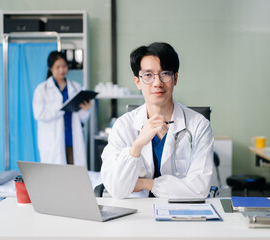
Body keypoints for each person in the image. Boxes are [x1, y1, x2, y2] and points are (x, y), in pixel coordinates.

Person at [101, 42, 214, 199]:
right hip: (135, 216)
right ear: (137, 82)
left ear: (175, 78)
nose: (157, 83)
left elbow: (199, 189)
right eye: (148, 75)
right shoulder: (123, 126)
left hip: (181, 215)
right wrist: (137, 146)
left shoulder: (199, 126)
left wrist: (145, 184)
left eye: (165, 73)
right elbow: (116, 189)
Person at [33, 51, 92, 166]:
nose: (62, 70)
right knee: (54, 177)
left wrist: (86, 109)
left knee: (73, 176)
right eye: (58, 67)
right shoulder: (41, 90)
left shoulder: (75, 87)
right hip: (53, 142)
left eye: (64, 66)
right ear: (50, 68)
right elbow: (39, 114)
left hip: (72, 140)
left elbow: (82, 119)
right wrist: (61, 108)